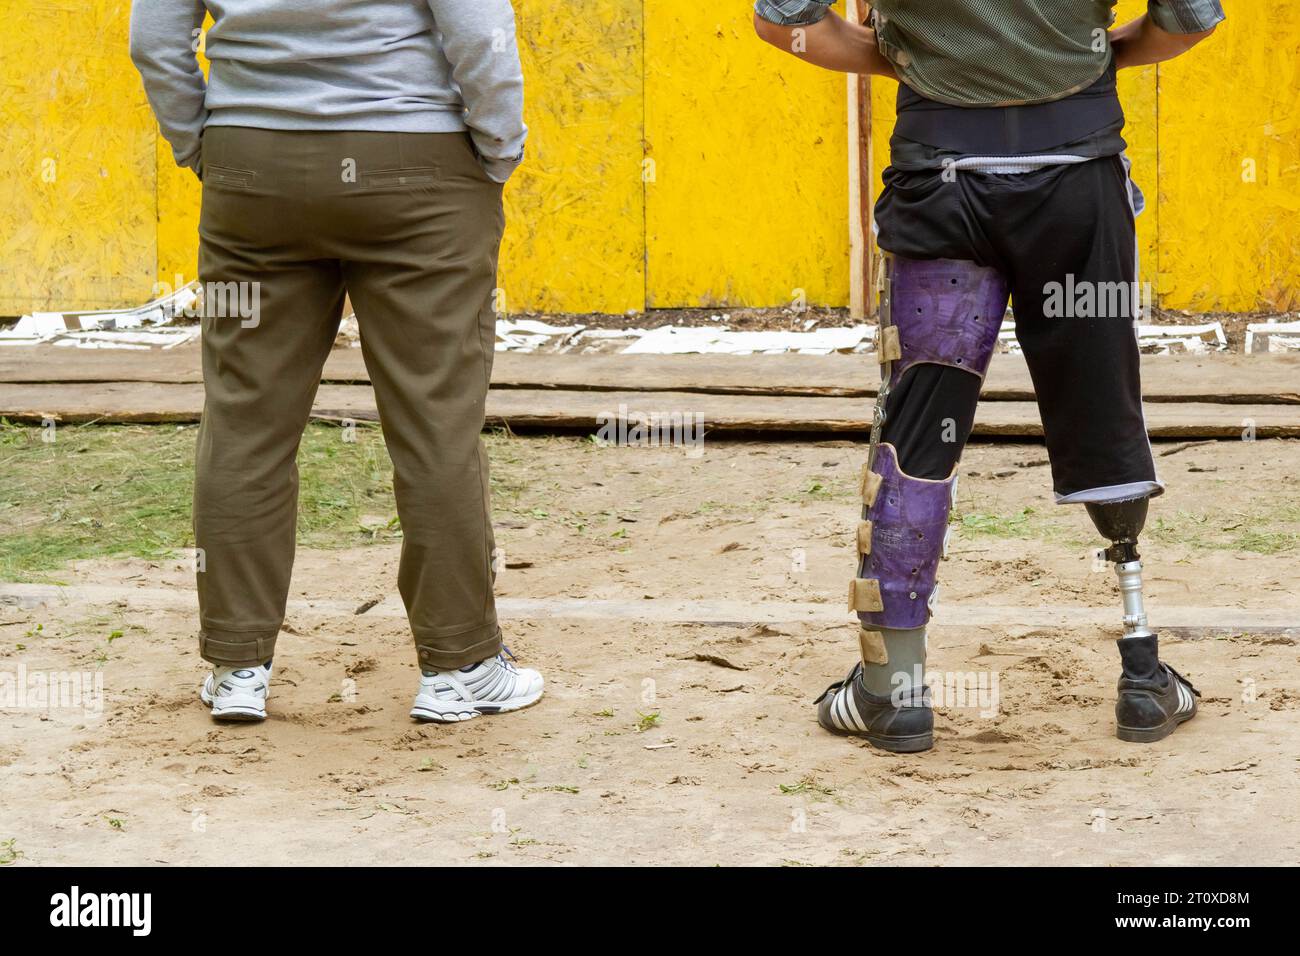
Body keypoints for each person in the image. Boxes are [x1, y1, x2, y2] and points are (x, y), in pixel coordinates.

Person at [754, 0, 1224, 752]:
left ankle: (892, 690)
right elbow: (1191, 19)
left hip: (942, 177)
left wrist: (919, 59)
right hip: (1077, 175)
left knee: (919, 426)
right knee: (1100, 406)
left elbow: (789, 25)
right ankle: (1142, 674)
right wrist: (1090, 54)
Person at [129, 0, 543, 723]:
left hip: (251, 177)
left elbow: (154, 39)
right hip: (417, 168)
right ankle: (460, 667)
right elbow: (477, 31)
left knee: (243, 416)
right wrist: (498, 146)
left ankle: (237, 667)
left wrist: (203, 144)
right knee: (436, 418)